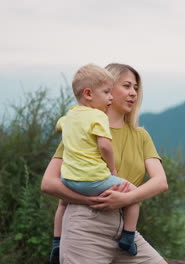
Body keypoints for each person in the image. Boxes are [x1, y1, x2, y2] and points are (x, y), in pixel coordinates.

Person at [41, 63, 169, 264]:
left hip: (126, 230)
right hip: (85, 225)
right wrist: (90, 201)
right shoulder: (81, 130)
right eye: (126, 86)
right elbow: (48, 183)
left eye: (136, 88)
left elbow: (160, 181)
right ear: (106, 88)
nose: (133, 93)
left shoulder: (141, 135)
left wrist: (125, 199)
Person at [54, 64, 140, 259]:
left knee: (62, 204)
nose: (110, 97)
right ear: (89, 94)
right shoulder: (98, 116)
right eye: (107, 92)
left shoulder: (70, 116)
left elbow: (59, 126)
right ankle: (128, 236)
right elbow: (105, 147)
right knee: (134, 195)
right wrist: (113, 170)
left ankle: (56, 242)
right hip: (92, 179)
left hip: (68, 181)